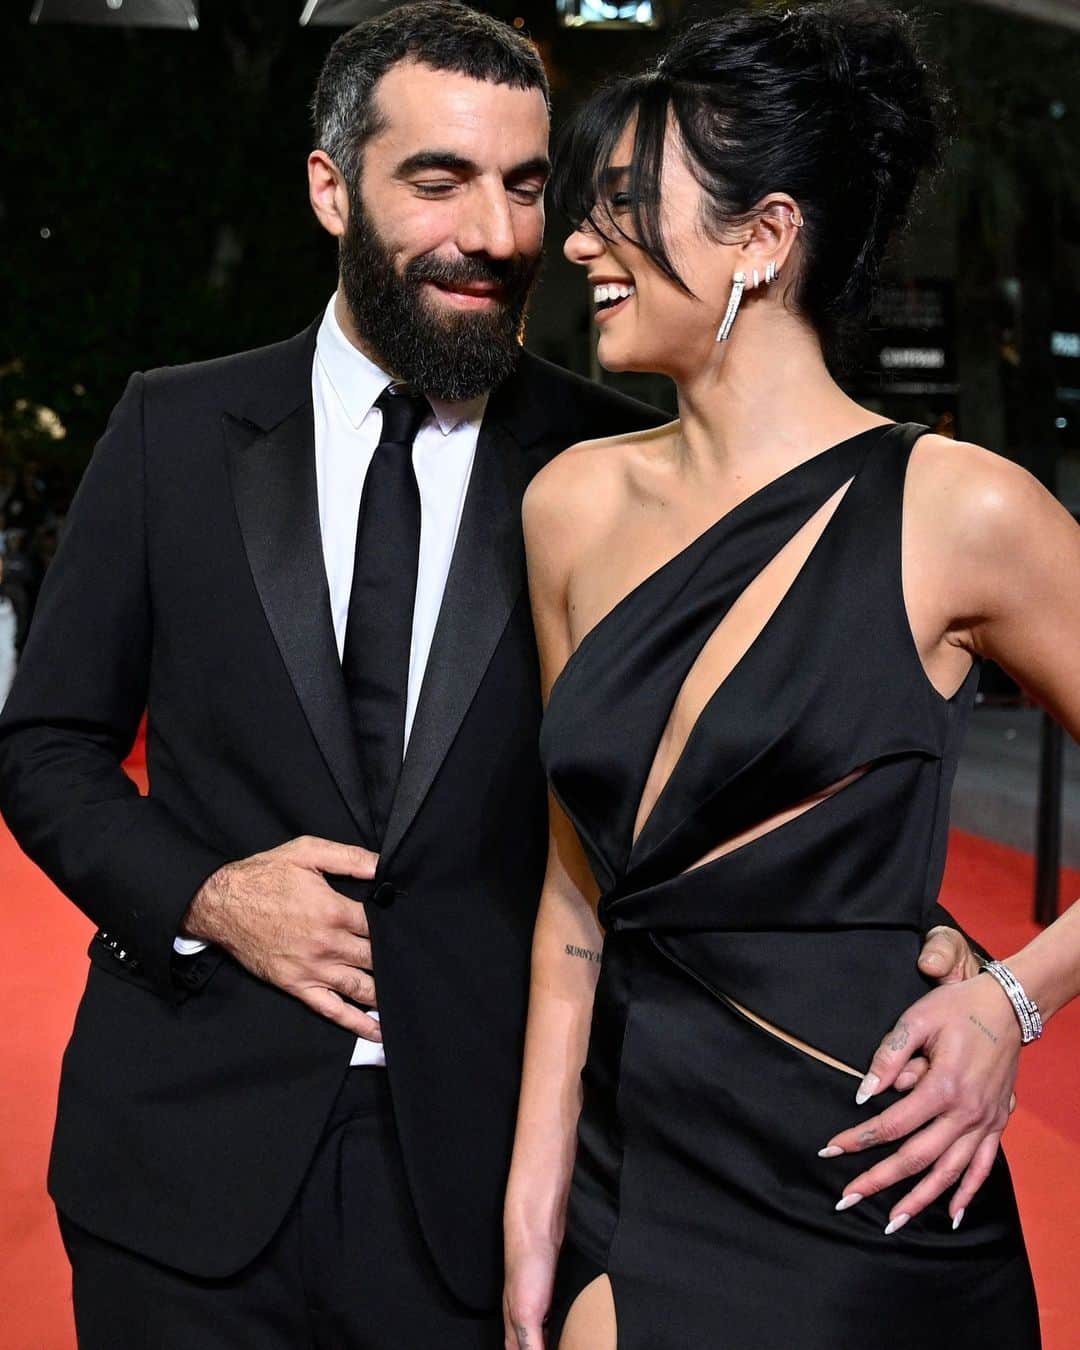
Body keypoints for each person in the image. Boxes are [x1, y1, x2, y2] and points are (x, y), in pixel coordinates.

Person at [0, 4, 977, 1346]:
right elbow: (46, 743)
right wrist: (209, 894)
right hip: (182, 1161)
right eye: (441, 179)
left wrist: (949, 957)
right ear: (331, 188)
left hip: (484, 1190)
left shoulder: (624, 465)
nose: (501, 234)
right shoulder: (176, 426)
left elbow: (738, 778)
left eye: (528, 185)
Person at [503, 5, 1080, 1348]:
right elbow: (572, 890)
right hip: (625, 1172)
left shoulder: (960, 512)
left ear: (764, 239)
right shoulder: (568, 509)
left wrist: (1017, 996)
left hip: (862, 1175)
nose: (578, 242)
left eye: (626, 207)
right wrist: (534, 1197)